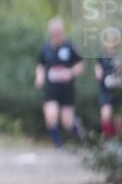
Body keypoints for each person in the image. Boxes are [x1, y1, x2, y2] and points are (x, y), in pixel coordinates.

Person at [34, 18, 85, 148]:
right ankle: (59, 145)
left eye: (58, 32)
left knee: (67, 122)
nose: (56, 35)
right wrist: (39, 76)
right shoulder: (45, 48)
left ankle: (78, 130)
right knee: (51, 116)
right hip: (51, 89)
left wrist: (71, 72)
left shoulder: (70, 46)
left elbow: (81, 65)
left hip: (67, 89)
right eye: (53, 32)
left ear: (62, 32)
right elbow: (40, 64)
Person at [96, 37, 122, 140]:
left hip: (119, 91)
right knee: (105, 114)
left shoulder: (121, 56)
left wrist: (118, 76)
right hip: (106, 90)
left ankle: (118, 140)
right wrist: (102, 75)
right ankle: (109, 139)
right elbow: (98, 73)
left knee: (119, 119)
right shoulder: (101, 56)